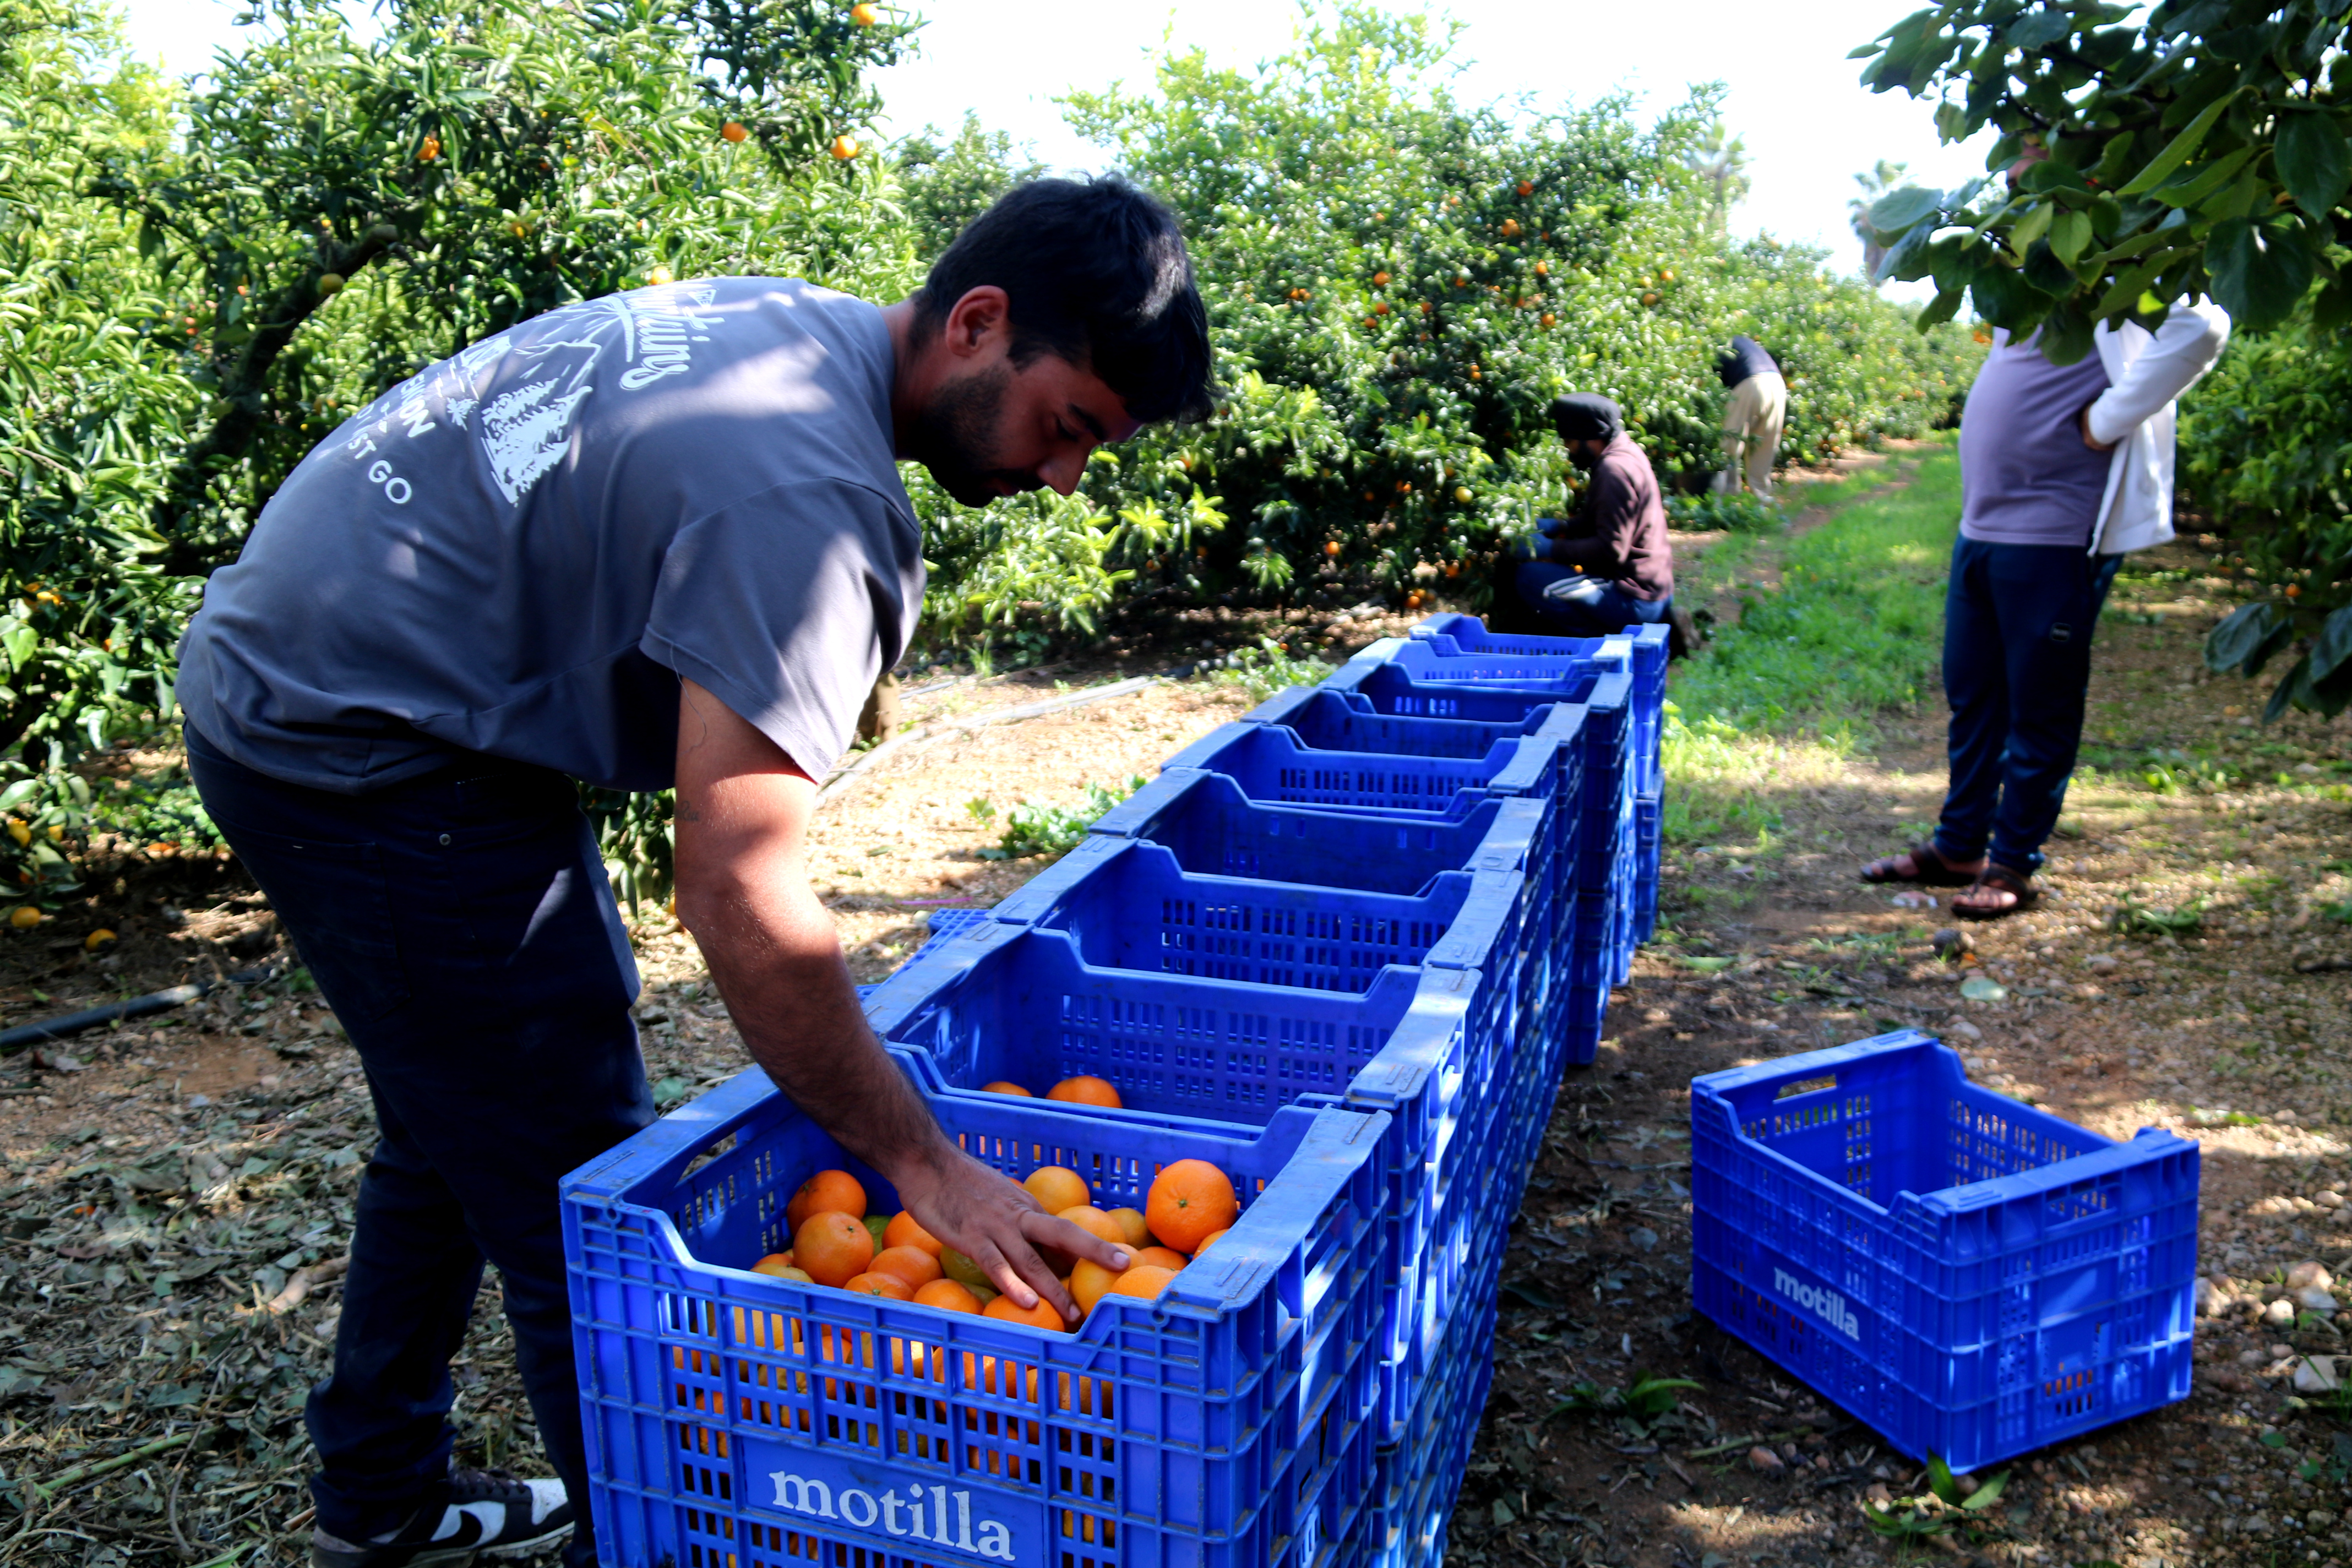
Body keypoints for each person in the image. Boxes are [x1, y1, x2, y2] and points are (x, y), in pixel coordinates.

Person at [173, 177, 1211, 1568]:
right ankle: (669, 1536)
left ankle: (382, 1485)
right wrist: (920, 1160)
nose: (1065, 473)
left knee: (462, 1101)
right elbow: (736, 890)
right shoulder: (812, 494)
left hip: (345, 668)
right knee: (576, 1184)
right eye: (1070, 424)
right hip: (357, 732)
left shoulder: (793, 330)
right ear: (977, 324)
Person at [1861, 293, 2229, 919]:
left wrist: (2110, 418)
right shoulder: (2027, 267)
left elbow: (2203, 326)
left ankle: (2014, 862)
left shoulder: (2113, 260)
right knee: (1974, 695)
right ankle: (1958, 849)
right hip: (1981, 527)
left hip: (2054, 532)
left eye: (2021, 184)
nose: (2011, 188)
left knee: (2040, 707)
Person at [1505, 392, 1678, 638]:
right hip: (1652, 594)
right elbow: (1599, 521)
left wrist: (1550, 549)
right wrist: (1560, 526)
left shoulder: (1613, 472)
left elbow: (1611, 550)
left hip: (1635, 601)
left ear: (1590, 438)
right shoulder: (1625, 452)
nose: (1568, 450)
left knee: (1530, 578)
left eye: (1570, 442)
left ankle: (1601, 641)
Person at [1713, 333, 1787, 498]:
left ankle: (1728, 497)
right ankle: (1762, 500)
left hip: (1751, 382)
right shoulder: (1741, 340)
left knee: (1730, 441)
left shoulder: (1714, 345)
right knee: (1765, 443)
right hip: (1777, 382)